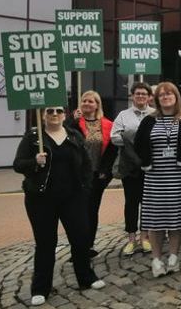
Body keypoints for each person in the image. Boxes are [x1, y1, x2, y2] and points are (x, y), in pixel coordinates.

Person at [14, 107, 105, 306]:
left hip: (72, 197)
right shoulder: (33, 136)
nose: (54, 114)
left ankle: (86, 277)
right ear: (43, 115)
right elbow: (18, 164)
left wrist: (85, 189)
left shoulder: (73, 135)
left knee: (80, 237)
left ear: (65, 115)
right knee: (46, 243)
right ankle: (40, 288)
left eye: (58, 111)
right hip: (41, 199)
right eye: (49, 111)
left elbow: (86, 165)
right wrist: (34, 162)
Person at [134, 82, 181, 278]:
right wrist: (145, 161)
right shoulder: (148, 121)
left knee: (176, 219)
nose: (165, 97)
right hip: (155, 177)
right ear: (156, 99)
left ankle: (173, 257)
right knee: (155, 220)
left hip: (179, 177)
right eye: (161, 95)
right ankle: (156, 259)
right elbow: (138, 144)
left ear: (176, 96)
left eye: (169, 93)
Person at [66, 90, 117, 257]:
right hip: (76, 175)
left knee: (91, 211)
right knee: (76, 212)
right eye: (84, 101)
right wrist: (72, 120)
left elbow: (111, 151)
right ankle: (77, 248)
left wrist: (105, 172)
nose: (87, 104)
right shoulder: (73, 123)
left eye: (91, 101)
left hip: (97, 176)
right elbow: (65, 138)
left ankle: (88, 246)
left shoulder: (107, 124)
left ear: (97, 105)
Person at [110, 82, 154, 256]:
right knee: (131, 202)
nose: (141, 96)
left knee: (148, 203)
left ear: (149, 97)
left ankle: (145, 237)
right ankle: (131, 239)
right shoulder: (123, 115)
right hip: (129, 165)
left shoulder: (154, 114)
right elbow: (114, 136)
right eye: (138, 94)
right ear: (132, 96)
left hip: (150, 165)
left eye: (144, 94)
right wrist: (134, 140)